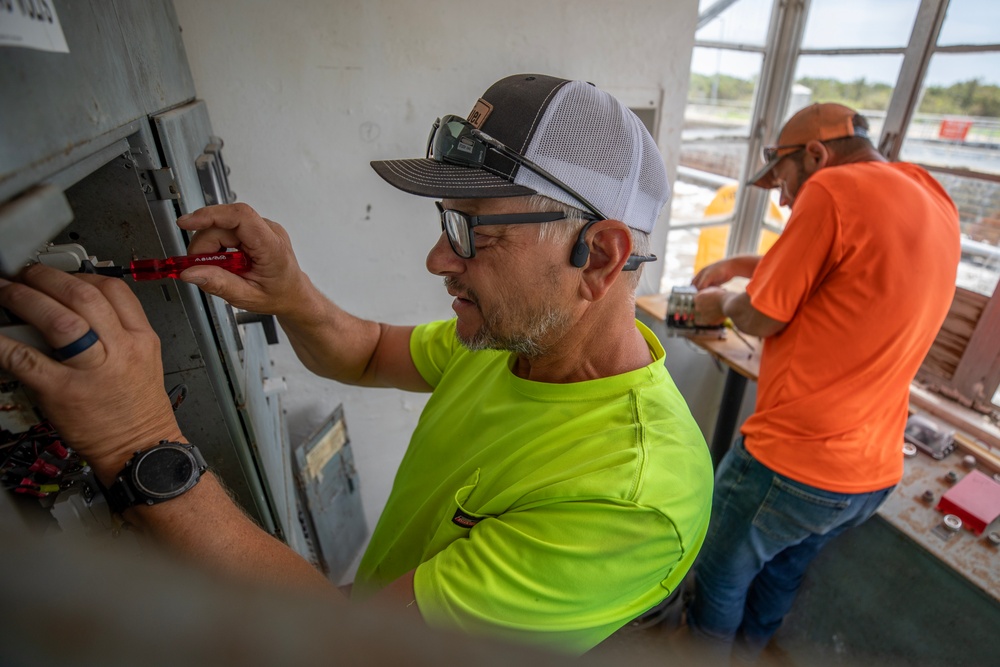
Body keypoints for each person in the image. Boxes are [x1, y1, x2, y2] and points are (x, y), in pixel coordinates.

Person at [0, 74, 713, 654]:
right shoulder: (519, 344)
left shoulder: (631, 498)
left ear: (600, 255)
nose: (439, 259)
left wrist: (137, 440)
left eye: (472, 232)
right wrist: (290, 290)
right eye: (444, 222)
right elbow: (369, 350)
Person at [686, 102, 960, 662]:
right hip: (871, 473)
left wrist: (718, 302)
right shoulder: (929, 195)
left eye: (784, 184)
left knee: (716, 577)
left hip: (793, 465)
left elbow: (763, 316)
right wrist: (742, 264)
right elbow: (843, 273)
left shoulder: (831, 192)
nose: (785, 201)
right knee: (780, 572)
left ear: (816, 154)